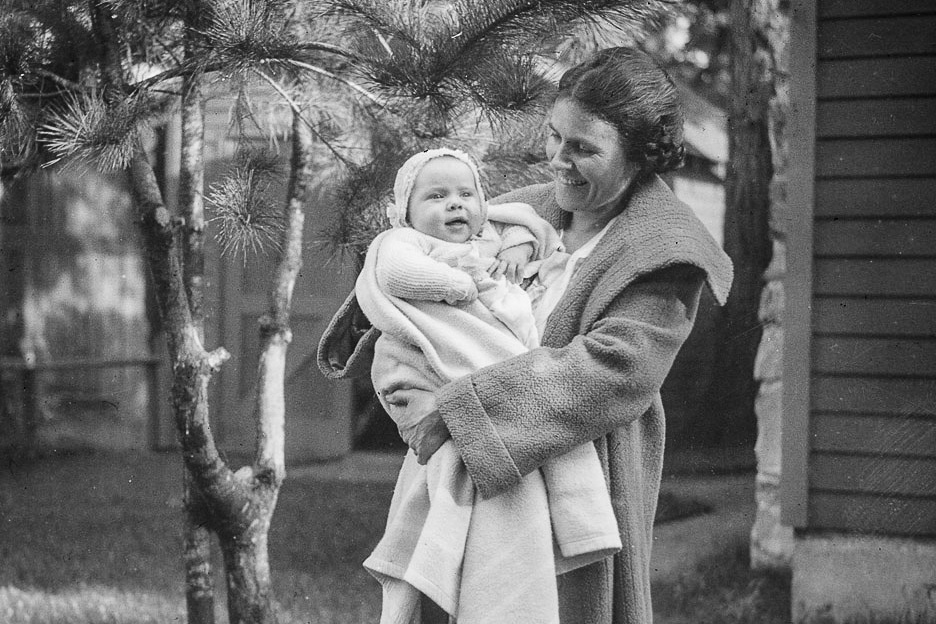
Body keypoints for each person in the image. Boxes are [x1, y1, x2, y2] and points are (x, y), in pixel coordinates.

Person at [319, 47, 733, 624]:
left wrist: (458, 411)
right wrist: (403, 381)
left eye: (583, 149)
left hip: (574, 481)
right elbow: (412, 282)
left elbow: (613, 373)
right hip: (460, 472)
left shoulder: (663, 253)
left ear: (639, 158)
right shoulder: (514, 213)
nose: (558, 161)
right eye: (554, 136)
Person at [352, 147, 622, 624]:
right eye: (436, 196)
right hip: (443, 360)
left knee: (520, 503)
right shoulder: (405, 244)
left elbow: (529, 226)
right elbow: (398, 274)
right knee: (453, 517)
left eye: (466, 194)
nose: (455, 204)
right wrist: (458, 285)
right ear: (405, 213)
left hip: (498, 375)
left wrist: (515, 245)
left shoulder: (487, 237)